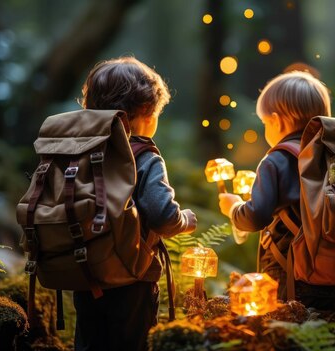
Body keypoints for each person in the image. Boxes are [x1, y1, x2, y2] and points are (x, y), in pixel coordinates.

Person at [73, 56, 198, 351]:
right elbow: (162, 215)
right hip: (131, 279)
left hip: (84, 270)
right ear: (145, 111)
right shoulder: (143, 156)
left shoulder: (77, 151)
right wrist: (185, 219)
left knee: (89, 342)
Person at [218, 70, 335, 310]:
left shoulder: (276, 160)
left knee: (287, 328)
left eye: (264, 123)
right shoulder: (332, 156)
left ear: (277, 120)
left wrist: (233, 208)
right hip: (333, 268)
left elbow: (255, 217)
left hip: (289, 269)